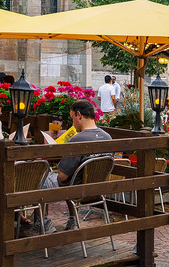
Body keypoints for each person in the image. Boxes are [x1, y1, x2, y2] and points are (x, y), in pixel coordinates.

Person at [34, 100, 112, 234]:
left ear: (79, 115)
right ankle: (72, 219)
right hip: (97, 189)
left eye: (72, 118)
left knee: (38, 179)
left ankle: (42, 222)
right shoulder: (107, 137)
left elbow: (63, 176)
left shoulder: (77, 139)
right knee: (72, 177)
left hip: (76, 189)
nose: (72, 122)